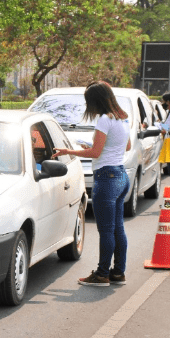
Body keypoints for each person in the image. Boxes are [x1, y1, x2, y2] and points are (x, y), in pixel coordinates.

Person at [52, 81, 130, 286]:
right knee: (118, 229)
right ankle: (118, 272)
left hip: (107, 178)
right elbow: (125, 145)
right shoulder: (123, 118)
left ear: (96, 101)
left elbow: (95, 153)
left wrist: (68, 151)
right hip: (121, 176)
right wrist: (91, 146)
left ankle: (102, 274)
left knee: (106, 230)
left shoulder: (105, 120)